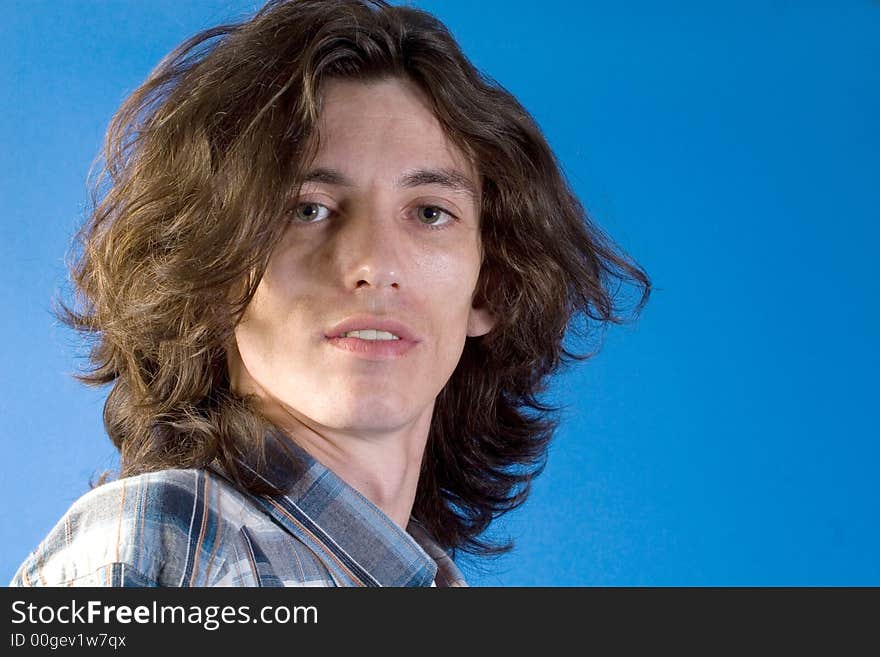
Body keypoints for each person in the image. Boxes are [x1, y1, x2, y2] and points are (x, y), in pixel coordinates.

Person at [11, 0, 650, 587]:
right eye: (308, 209)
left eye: (430, 213)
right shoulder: (162, 540)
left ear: (490, 287)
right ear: (211, 271)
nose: (374, 264)